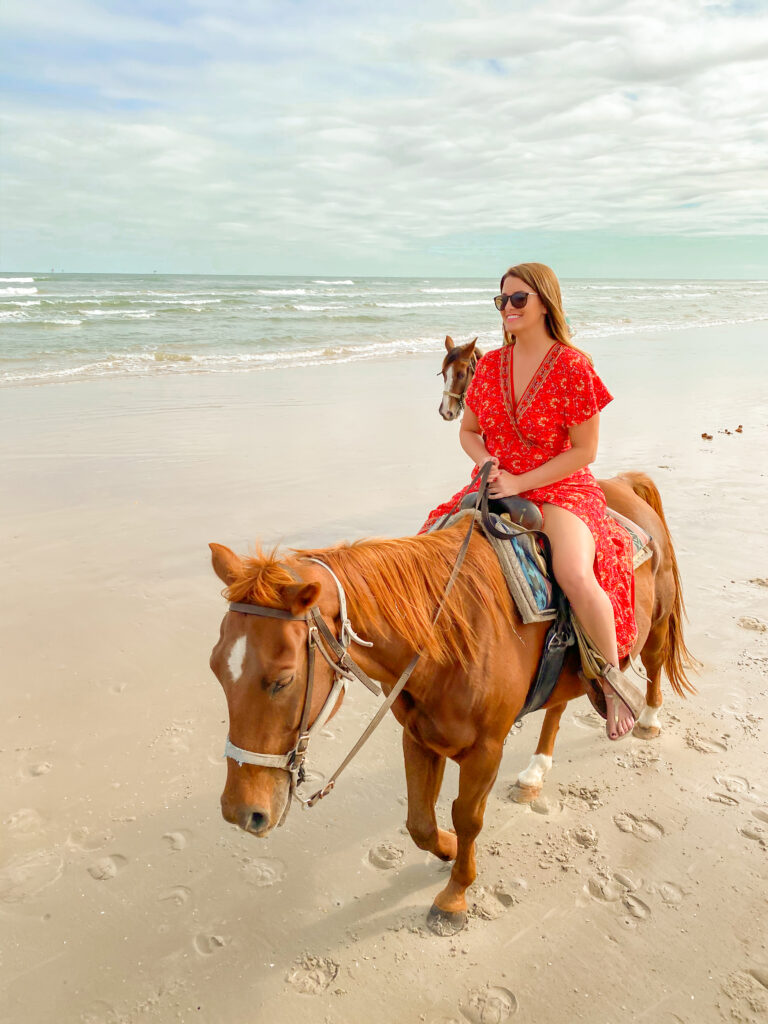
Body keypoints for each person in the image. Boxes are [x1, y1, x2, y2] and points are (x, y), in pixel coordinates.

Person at [421, 262, 639, 740]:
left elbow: (586, 450)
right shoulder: (493, 365)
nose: (508, 309)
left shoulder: (573, 366)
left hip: (560, 485)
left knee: (575, 574)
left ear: (544, 301)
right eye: (502, 301)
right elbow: (469, 432)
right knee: (429, 544)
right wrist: (488, 465)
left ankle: (613, 678)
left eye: (518, 299)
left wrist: (523, 483)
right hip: (496, 480)